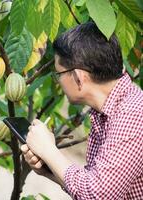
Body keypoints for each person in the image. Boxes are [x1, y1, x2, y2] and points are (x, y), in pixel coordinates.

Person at [21, 21, 143, 199]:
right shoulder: (108, 111)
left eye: (59, 74)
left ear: (78, 77)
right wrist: (49, 169)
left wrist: (49, 150)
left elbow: (97, 195)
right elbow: (94, 183)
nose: (58, 81)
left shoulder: (132, 114)